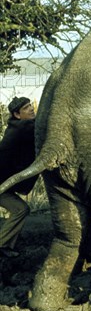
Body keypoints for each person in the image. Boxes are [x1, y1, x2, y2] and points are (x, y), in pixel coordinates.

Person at [0, 97, 37, 258]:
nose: (31, 109)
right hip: (2, 185)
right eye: (26, 108)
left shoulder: (16, 127)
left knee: (21, 210)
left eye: (30, 105)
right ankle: (2, 245)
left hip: (4, 184)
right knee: (20, 210)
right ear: (17, 114)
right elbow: (42, 126)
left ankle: (4, 245)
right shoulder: (23, 127)